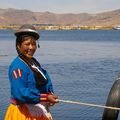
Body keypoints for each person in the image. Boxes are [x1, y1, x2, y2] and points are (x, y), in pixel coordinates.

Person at [4, 24, 59, 120]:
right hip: (23, 114)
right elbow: (20, 93)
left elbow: (45, 78)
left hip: (37, 110)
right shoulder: (18, 67)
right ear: (18, 45)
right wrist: (45, 98)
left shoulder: (33, 62)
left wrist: (50, 93)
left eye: (33, 44)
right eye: (27, 44)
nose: (31, 48)